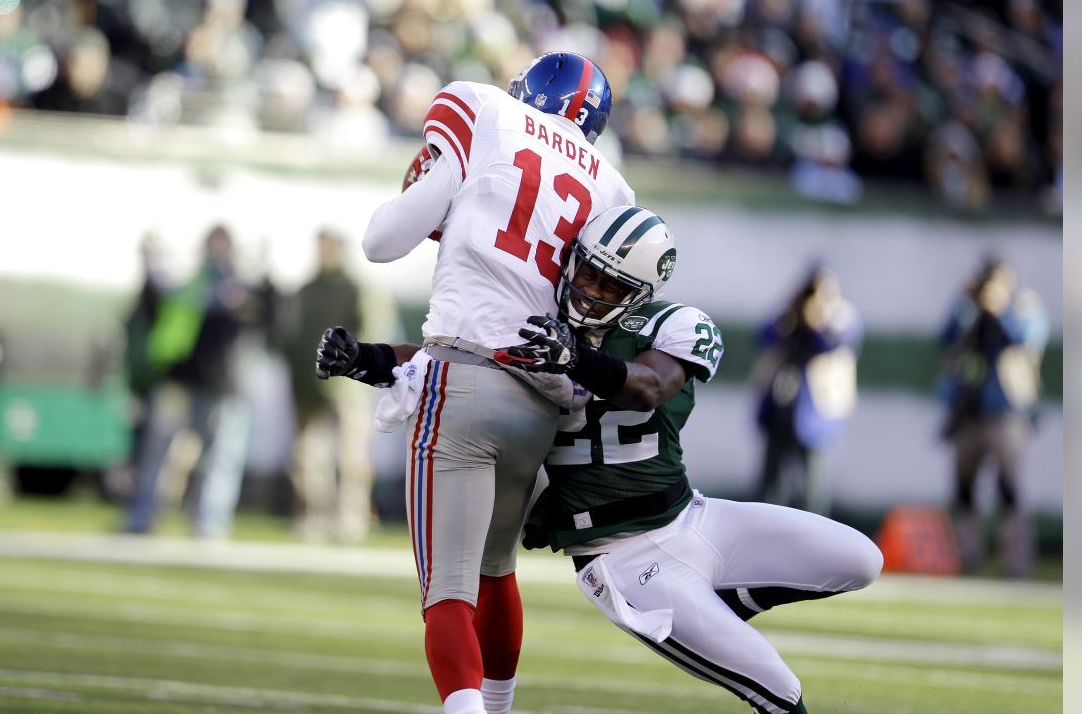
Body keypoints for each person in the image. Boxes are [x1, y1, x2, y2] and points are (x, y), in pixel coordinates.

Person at [320, 206, 883, 714]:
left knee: (863, 559)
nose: (590, 289)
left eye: (611, 283)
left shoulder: (673, 324)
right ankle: (705, 614)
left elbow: (648, 386)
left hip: (691, 518)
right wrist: (365, 358)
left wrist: (576, 359)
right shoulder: (535, 320)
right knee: (780, 691)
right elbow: (453, 359)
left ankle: (728, 604)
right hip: (622, 558)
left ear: (640, 292)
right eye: (587, 271)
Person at [346, 51, 633, 714]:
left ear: (528, 90)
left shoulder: (484, 109)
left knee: (448, 589)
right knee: (496, 571)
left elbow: (383, 242)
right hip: (539, 402)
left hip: (463, 378)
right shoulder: (613, 186)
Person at [124, 225, 255, 539]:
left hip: (221, 384)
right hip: (181, 380)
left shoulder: (239, 286)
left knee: (219, 459)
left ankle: (208, 524)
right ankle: (143, 517)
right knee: (160, 454)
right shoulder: (191, 282)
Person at [938, 257, 1049, 577]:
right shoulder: (968, 309)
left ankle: (1015, 561)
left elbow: (1024, 339)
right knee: (964, 489)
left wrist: (999, 310)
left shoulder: (1024, 306)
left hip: (1007, 411)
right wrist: (966, 302)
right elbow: (946, 337)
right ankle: (968, 555)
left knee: (1009, 488)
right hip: (968, 413)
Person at [278, 228, 372, 542]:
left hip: (346, 386)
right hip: (308, 385)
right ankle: (312, 517)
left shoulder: (355, 289)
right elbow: (291, 336)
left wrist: (350, 369)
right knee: (306, 456)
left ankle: (350, 518)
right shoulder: (305, 289)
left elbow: (369, 332)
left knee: (350, 457)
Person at [750, 265, 861, 516]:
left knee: (812, 492)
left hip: (817, 414)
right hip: (780, 409)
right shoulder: (787, 314)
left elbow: (830, 346)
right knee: (769, 486)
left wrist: (817, 319)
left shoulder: (841, 316)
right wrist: (792, 310)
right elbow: (762, 337)